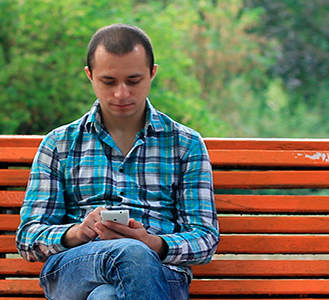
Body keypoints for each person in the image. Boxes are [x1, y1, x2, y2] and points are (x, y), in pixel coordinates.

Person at [16, 23, 219, 300]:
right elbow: (28, 237)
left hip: (162, 273)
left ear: (152, 74)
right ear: (90, 76)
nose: (121, 94)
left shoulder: (185, 144)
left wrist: (152, 243)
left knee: (107, 296)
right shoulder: (59, 143)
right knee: (130, 253)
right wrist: (78, 232)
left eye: (133, 81)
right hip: (76, 268)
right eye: (109, 82)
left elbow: (205, 238)